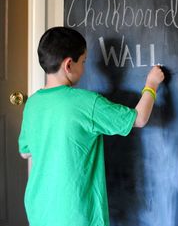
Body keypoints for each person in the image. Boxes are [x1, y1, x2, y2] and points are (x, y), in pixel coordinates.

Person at [19, 26, 164, 226]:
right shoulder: (87, 102)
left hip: (39, 208)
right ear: (69, 64)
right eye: (84, 61)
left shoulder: (33, 104)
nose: (85, 67)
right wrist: (152, 84)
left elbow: (25, 152)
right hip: (77, 213)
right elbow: (139, 118)